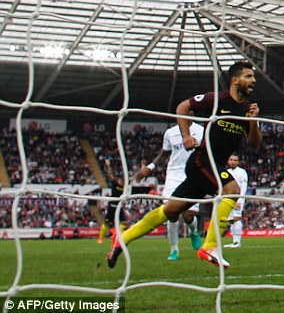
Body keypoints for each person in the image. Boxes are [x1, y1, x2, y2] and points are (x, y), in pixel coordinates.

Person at [108, 61, 262, 269]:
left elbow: (254, 144)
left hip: (214, 165)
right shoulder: (217, 100)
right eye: (248, 76)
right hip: (202, 161)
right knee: (231, 190)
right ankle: (210, 246)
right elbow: (183, 106)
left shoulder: (247, 110)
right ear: (235, 80)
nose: (253, 80)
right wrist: (186, 135)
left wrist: (253, 122)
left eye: (253, 77)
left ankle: (122, 239)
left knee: (171, 210)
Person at [131, 119, 205, 260]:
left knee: (188, 215)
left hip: (193, 174)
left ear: (192, 113)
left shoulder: (201, 131)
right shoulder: (170, 133)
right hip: (173, 175)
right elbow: (164, 154)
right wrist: (149, 168)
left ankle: (193, 231)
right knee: (171, 213)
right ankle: (174, 250)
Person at [97, 159, 127, 244]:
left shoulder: (125, 185)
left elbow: (133, 178)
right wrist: (108, 166)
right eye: (122, 181)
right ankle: (100, 238)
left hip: (119, 206)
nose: (123, 183)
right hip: (112, 206)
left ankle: (117, 236)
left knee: (123, 223)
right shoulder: (115, 183)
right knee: (106, 223)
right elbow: (110, 175)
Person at [223, 154, 249, 248]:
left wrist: (240, 200)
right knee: (231, 220)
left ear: (238, 162)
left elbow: (243, 187)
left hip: (238, 199)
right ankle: (234, 241)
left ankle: (238, 241)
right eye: (231, 159)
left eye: (235, 160)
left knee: (236, 218)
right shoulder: (226, 172)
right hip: (228, 199)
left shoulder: (242, 172)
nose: (233, 162)